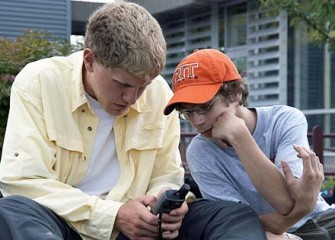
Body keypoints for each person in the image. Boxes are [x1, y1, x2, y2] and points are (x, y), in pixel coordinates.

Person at [0, 3, 267, 240]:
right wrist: (114, 215)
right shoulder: (39, 81)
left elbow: (167, 174)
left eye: (143, 86)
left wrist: (167, 203)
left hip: (143, 227)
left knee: (232, 216)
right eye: (122, 84)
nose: (133, 98)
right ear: (90, 60)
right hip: (66, 226)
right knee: (12, 212)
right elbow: (22, 181)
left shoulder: (159, 92)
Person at [164, 48, 334, 240]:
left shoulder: (284, 119)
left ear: (235, 94)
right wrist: (301, 208)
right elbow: (238, 223)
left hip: (324, 218)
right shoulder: (200, 151)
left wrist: (239, 136)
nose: (197, 121)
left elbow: (287, 200)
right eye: (187, 112)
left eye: (204, 107)